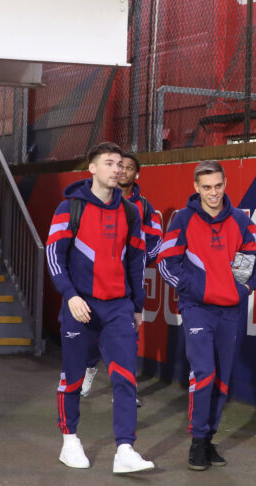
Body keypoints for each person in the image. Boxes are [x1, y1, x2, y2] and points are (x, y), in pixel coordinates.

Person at [157, 160, 256, 470]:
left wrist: (245, 287)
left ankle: (209, 440)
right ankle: (196, 442)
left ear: (225, 184)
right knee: (204, 372)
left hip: (230, 311)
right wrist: (193, 289)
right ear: (196, 188)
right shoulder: (182, 219)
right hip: (197, 309)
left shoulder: (239, 219)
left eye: (218, 186)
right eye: (206, 187)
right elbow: (166, 262)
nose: (213, 193)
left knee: (222, 378)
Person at [45, 141, 154, 473]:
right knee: (73, 378)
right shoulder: (69, 208)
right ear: (91, 168)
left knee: (125, 378)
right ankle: (70, 440)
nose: (117, 169)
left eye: (120, 164)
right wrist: (71, 295)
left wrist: (137, 306)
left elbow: (137, 261)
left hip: (119, 308)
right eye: (109, 163)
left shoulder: (130, 211)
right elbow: (53, 256)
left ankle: (125, 449)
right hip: (81, 306)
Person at [80, 151, 164, 403]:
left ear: (136, 174)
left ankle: (127, 388)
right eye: (120, 166)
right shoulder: (97, 200)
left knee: (128, 335)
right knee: (94, 332)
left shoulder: (144, 207)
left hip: (129, 281)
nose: (123, 171)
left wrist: (136, 261)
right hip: (100, 280)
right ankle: (90, 367)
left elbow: (156, 241)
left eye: (129, 167)